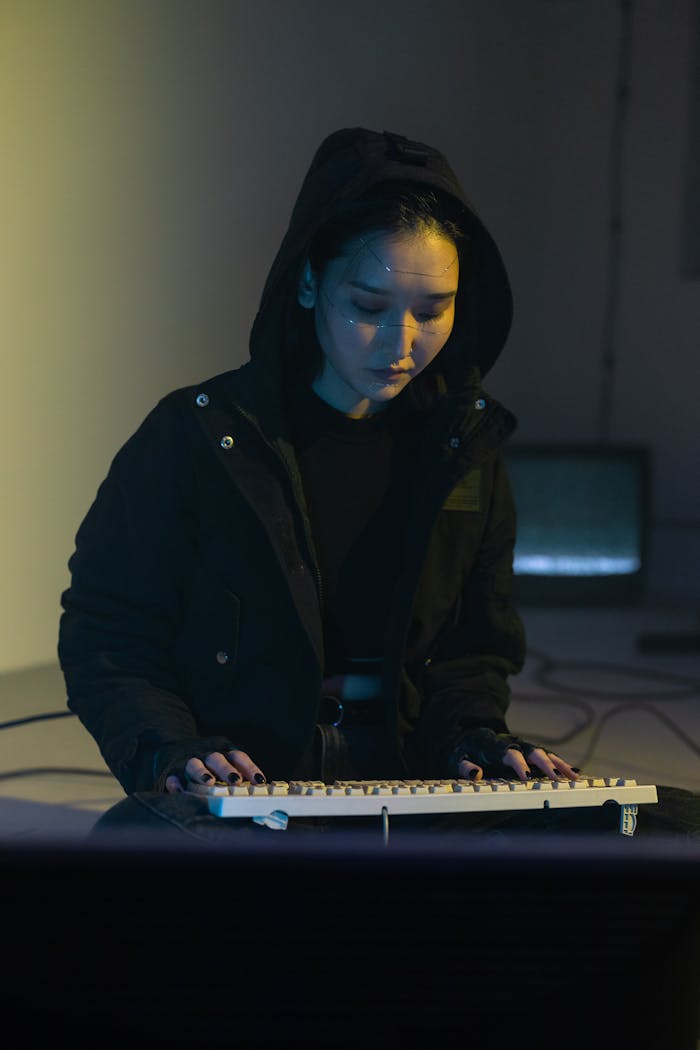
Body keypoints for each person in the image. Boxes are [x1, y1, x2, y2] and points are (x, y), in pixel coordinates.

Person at [56, 127, 685, 841]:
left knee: (667, 831)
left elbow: (474, 649)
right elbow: (109, 630)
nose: (401, 344)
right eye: (368, 308)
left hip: (411, 777)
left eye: (432, 310)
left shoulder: (463, 448)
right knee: (135, 864)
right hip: (253, 788)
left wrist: (475, 738)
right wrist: (169, 750)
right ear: (307, 282)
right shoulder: (196, 437)